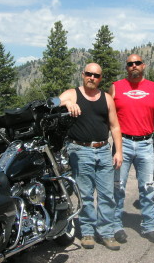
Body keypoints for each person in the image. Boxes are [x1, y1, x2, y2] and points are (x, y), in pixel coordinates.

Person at [59, 63, 123, 251]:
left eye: (96, 75)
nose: (92, 78)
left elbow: (115, 126)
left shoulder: (107, 99)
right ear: (83, 74)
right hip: (79, 150)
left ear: (100, 78)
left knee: (107, 195)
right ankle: (87, 232)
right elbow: (52, 103)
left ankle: (107, 233)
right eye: (89, 74)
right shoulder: (72, 93)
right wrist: (66, 103)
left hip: (103, 150)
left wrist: (118, 151)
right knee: (85, 194)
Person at [109, 54, 154, 244]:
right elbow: (106, 115)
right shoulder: (116, 87)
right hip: (122, 143)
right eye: (130, 64)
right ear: (126, 68)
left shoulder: (153, 87)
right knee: (118, 187)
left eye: (137, 63)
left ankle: (149, 227)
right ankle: (116, 226)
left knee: (148, 187)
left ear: (144, 65)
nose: (133, 66)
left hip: (145, 143)